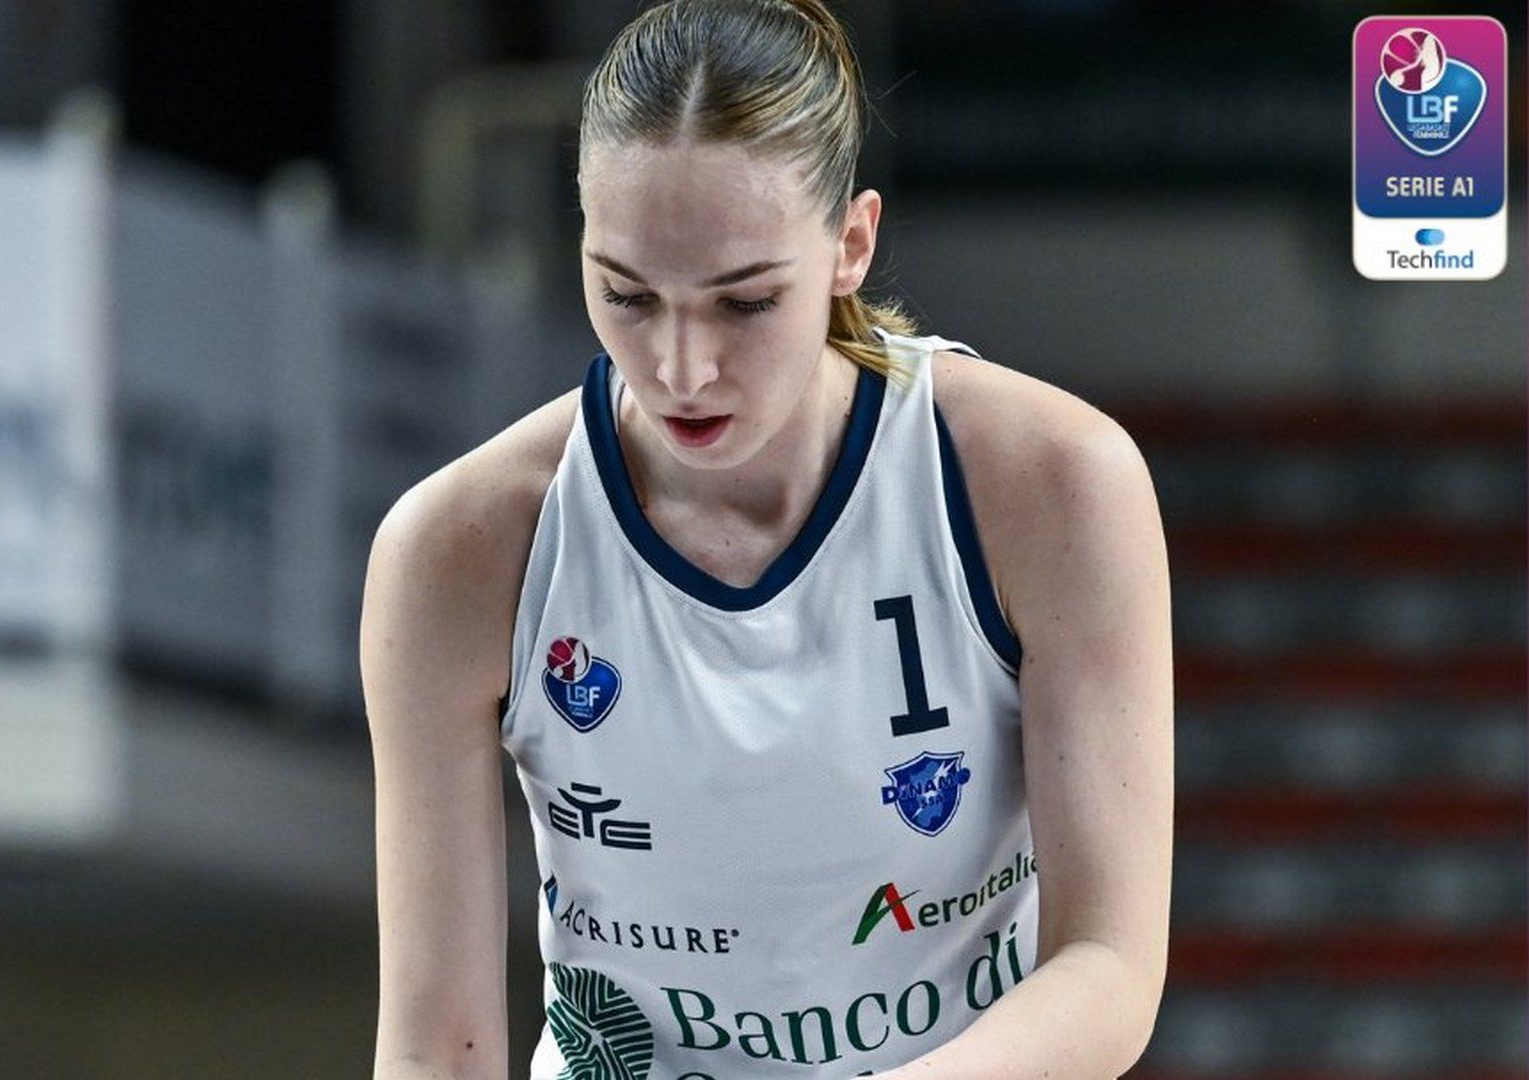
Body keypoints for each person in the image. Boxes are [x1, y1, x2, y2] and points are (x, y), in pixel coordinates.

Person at [364, 1, 1172, 1077]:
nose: (681, 367)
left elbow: (1108, 964)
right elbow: (435, 1050)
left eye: (743, 303)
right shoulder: (457, 548)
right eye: (627, 294)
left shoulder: (1052, 485)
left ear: (851, 245)